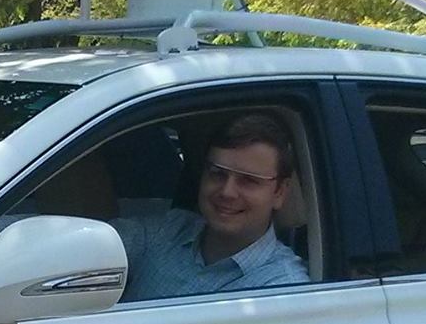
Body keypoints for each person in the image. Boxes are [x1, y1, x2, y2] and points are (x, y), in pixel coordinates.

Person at [111, 112, 309, 301]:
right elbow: (94, 245)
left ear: (279, 192)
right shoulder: (169, 230)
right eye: (217, 173)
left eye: (249, 181)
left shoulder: (282, 290)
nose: (227, 192)